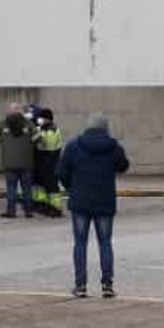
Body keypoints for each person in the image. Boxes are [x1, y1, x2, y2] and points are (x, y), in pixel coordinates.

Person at [58, 114, 129, 298]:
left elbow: (61, 172)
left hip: (80, 201)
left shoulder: (74, 146)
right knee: (105, 242)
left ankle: (80, 285)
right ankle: (107, 284)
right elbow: (123, 166)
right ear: (106, 129)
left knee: (80, 243)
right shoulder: (113, 147)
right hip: (104, 201)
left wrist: (72, 189)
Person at [0, 104, 40, 218]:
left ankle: (11, 211)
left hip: (9, 162)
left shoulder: (3, 123)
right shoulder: (28, 123)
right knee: (26, 188)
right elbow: (37, 136)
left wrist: (2, 140)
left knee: (11, 187)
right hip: (26, 162)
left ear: (9, 112)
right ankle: (28, 211)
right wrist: (30, 142)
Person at [32, 109, 66, 218]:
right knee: (40, 185)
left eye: (42, 118)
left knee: (52, 187)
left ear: (48, 119)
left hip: (50, 161)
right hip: (41, 161)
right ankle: (42, 205)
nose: (40, 120)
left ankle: (55, 208)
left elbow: (48, 145)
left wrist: (38, 138)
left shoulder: (52, 130)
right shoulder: (40, 128)